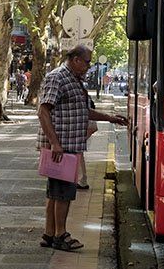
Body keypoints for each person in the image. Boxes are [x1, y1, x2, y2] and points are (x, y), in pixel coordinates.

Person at [37, 45, 128, 252]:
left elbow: (83, 111)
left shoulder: (74, 79)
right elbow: (43, 111)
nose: (89, 66)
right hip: (62, 146)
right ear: (76, 59)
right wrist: (55, 143)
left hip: (68, 144)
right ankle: (61, 235)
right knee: (63, 193)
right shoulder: (58, 77)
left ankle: (49, 234)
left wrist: (110, 118)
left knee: (55, 192)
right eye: (87, 62)